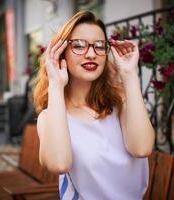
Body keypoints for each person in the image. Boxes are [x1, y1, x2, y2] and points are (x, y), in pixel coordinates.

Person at [33, 10, 155, 200]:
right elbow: (59, 164)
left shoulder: (119, 102)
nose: (91, 54)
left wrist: (129, 74)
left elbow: (142, 148)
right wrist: (56, 85)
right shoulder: (50, 117)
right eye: (79, 46)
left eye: (99, 46)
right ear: (61, 53)